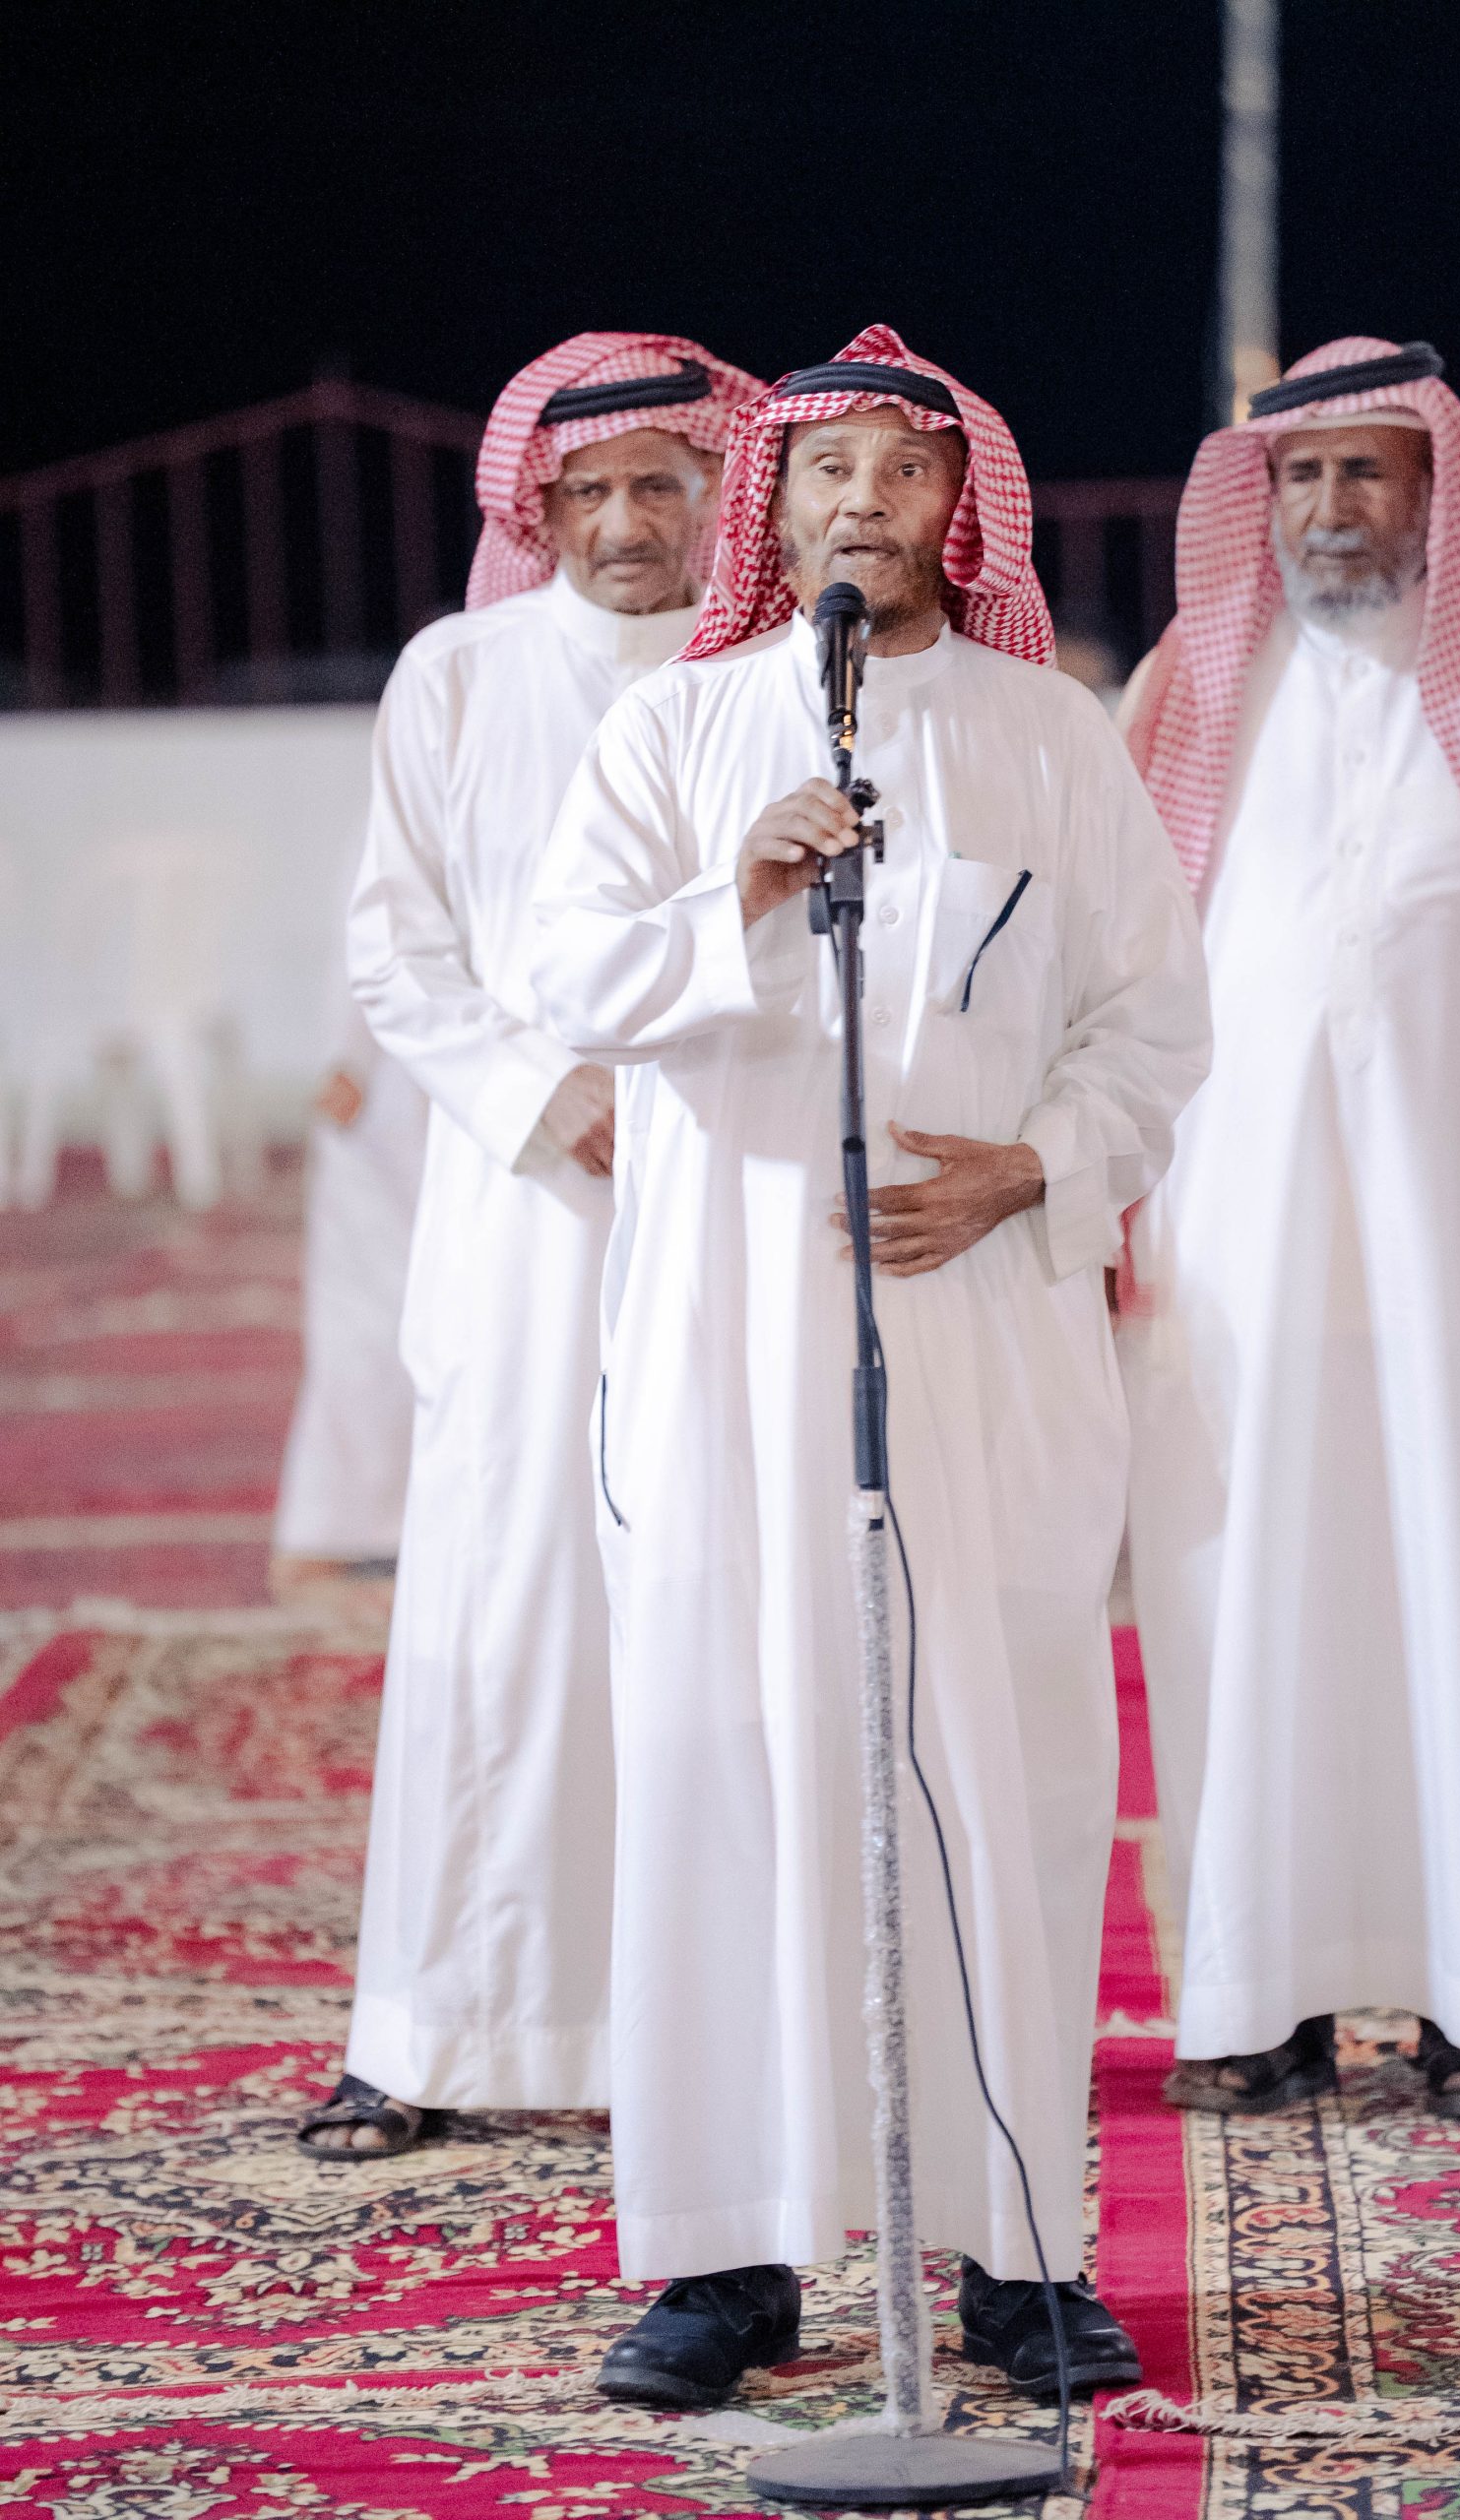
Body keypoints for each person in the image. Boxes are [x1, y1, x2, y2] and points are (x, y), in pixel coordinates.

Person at [530, 326, 1211, 2405]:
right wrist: (732, 894)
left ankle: (1019, 2253)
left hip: (985, 1344)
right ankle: (725, 2259)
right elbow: (560, 973)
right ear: (774, 498)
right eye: (824, 469)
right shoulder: (672, 729)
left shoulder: (1049, 733)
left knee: (1000, 1771)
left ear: (954, 503)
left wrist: (1035, 1165)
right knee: (726, 1769)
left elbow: (1153, 1020)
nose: (860, 504)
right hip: (727, 1347)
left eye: (899, 471)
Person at [1118, 338, 1460, 2122]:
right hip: (1236, 1252)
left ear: (1437, 489)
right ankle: (1255, 1997)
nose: (1327, 506)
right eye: (1296, 475)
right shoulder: (1189, 690)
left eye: (1364, 470)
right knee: (1237, 1598)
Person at [295, 333, 762, 2158]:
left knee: (718, 1606)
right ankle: (435, 2031)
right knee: (502, 1607)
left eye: (661, 484)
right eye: (590, 492)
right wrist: (535, 1092)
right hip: (523, 1215)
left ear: (719, 492)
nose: (625, 520)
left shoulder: (767, 677)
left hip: (726, 1202)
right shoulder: (459, 675)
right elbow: (394, 944)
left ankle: (714, 2032)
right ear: (537, 509)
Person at [271, 1005, 427, 1589]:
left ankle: (366, 1520)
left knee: (391, 1307)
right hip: (397, 1065)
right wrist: (351, 1055)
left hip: (423, 1059)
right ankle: (342, 1524)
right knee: (372, 1313)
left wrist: (351, 1054)